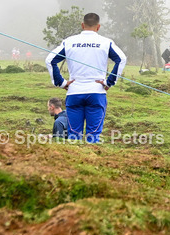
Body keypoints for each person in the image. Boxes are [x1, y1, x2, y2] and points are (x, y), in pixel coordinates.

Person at [44, 12, 127, 143]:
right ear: (98, 27)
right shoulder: (106, 42)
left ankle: (74, 160)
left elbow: (50, 60)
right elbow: (121, 59)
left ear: (82, 25)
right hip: (97, 92)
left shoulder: (69, 41)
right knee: (93, 135)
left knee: (74, 135)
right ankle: (92, 160)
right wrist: (109, 82)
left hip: (74, 92)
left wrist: (61, 83)